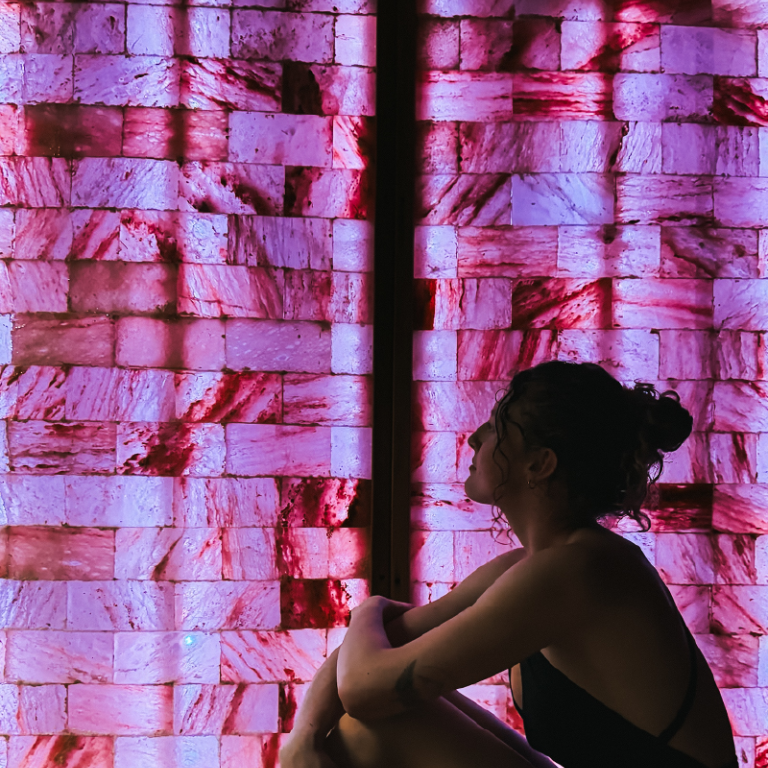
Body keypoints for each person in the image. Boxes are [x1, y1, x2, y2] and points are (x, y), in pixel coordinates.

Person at [279, 361, 739, 768]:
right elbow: (361, 666)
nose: (476, 437)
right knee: (370, 726)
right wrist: (302, 739)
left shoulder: (577, 571)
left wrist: (369, 607)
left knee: (373, 727)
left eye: (498, 425)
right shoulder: (530, 566)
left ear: (539, 464)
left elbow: (364, 687)